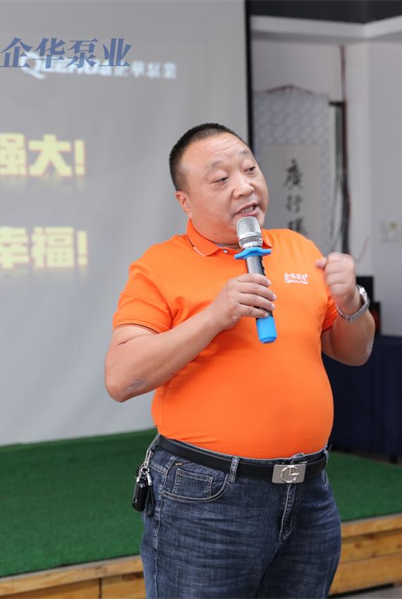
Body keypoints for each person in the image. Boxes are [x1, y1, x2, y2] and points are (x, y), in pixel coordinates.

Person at [105, 123, 375, 599]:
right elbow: (122, 377)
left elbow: (355, 352)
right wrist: (215, 317)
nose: (245, 186)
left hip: (309, 492)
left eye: (250, 169)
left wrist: (352, 301)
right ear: (185, 201)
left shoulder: (298, 249)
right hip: (207, 498)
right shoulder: (159, 266)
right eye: (220, 178)